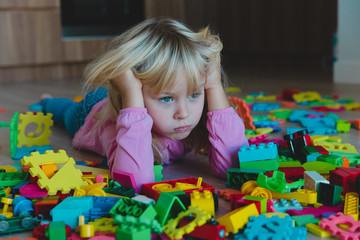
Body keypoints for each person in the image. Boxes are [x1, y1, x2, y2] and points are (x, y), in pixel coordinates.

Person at [41, 18, 248, 191]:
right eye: (166, 99)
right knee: (65, 111)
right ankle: (47, 101)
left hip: (120, 99)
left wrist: (213, 85)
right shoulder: (118, 129)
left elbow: (235, 166)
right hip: (90, 112)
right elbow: (135, 182)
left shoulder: (195, 108)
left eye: (194, 94)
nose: (183, 114)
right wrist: (131, 91)